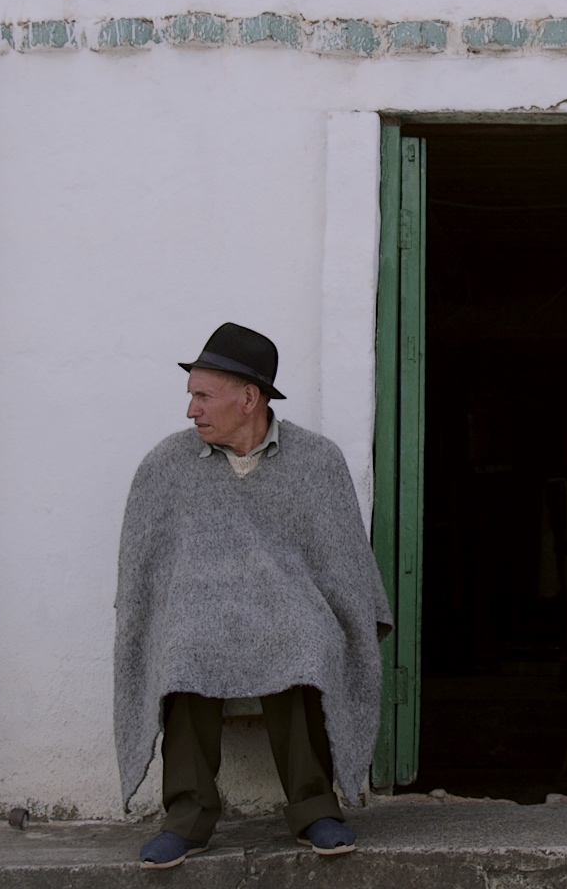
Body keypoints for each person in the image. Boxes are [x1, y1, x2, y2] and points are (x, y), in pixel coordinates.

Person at [114, 323, 391, 868]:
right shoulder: (166, 464)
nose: (191, 410)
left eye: (202, 396)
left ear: (249, 398)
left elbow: (343, 564)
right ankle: (187, 817)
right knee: (183, 645)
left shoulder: (316, 460)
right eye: (191, 395)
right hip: (198, 611)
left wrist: (350, 622)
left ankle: (315, 809)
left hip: (288, 607)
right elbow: (143, 573)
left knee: (302, 639)